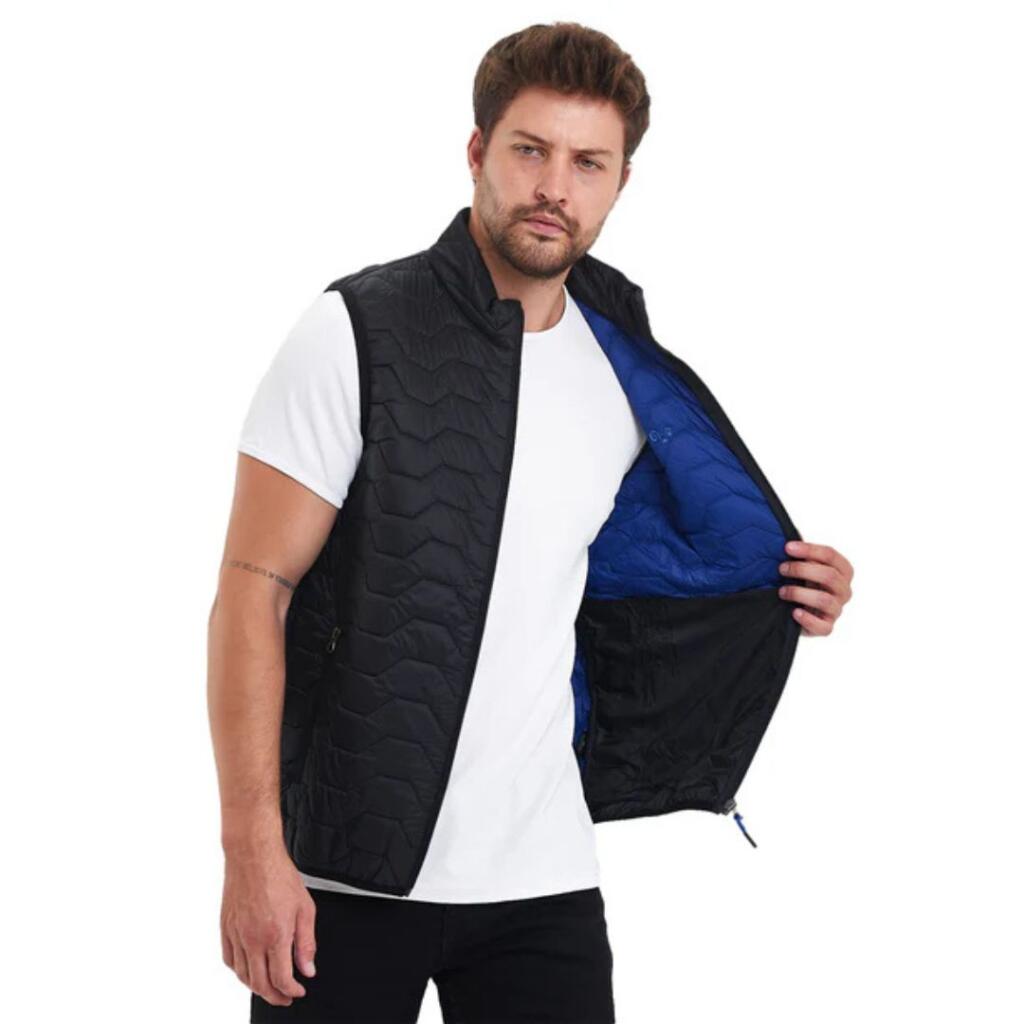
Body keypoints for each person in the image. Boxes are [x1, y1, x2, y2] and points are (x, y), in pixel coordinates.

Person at [207, 21, 855, 1024]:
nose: (554, 186)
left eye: (587, 162)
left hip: (543, 881)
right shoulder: (355, 333)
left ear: (620, 182)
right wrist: (252, 850)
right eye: (529, 150)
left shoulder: (624, 364)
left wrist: (780, 587)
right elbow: (255, 591)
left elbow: (636, 569)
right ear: (477, 152)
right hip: (344, 873)